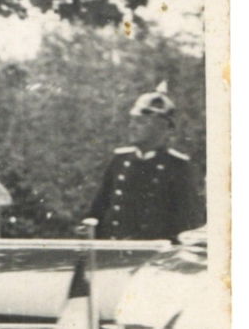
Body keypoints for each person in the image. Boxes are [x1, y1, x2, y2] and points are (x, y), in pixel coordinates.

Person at [82, 83, 204, 241]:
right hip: (113, 250)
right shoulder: (120, 160)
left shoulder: (178, 166)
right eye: (132, 121)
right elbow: (98, 210)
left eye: (141, 122)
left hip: (154, 253)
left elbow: (188, 224)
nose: (132, 127)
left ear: (162, 127)